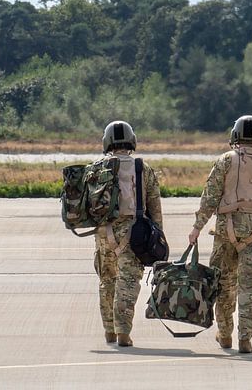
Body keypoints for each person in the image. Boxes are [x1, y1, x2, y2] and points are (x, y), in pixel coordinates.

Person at [188, 115, 252, 354]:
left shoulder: (226, 160)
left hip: (226, 232)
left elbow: (210, 196)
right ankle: (245, 339)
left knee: (223, 285)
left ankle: (225, 335)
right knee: (250, 287)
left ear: (235, 135)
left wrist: (197, 227)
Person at [94, 120, 163, 347]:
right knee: (129, 281)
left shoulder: (97, 168)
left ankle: (109, 331)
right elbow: (154, 207)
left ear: (107, 142)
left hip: (104, 233)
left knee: (107, 281)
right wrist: (158, 237)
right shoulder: (143, 168)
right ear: (132, 141)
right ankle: (123, 332)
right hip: (134, 233)